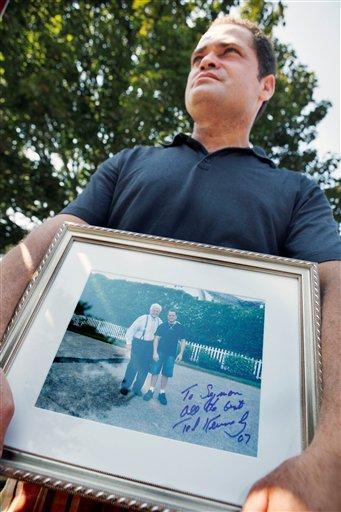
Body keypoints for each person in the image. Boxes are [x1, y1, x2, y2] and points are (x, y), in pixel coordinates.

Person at [0, 15, 340, 512]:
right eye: (199, 54)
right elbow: (38, 249)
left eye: (228, 52)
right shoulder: (128, 163)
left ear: (265, 86)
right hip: (61, 480)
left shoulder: (297, 193)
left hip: (222, 494)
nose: (206, 59)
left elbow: (336, 289)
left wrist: (331, 455)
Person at [143, 310, 186, 405]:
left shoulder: (180, 327)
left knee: (166, 373)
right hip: (160, 352)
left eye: (173, 315)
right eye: (169, 315)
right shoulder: (162, 326)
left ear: (176, 316)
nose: (171, 317)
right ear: (167, 316)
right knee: (155, 371)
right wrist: (155, 352)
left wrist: (181, 353)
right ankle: (151, 390)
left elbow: (183, 341)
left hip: (171, 354)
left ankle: (162, 393)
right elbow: (156, 339)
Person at [120, 303, 162, 396]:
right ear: (150, 310)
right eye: (154, 310)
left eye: (157, 311)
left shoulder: (160, 322)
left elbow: (161, 337)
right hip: (138, 344)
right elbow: (131, 330)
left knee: (145, 368)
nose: (155, 312)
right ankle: (125, 387)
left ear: (159, 312)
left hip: (150, 346)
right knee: (133, 366)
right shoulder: (142, 318)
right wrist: (129, 343)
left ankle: (137, 388)